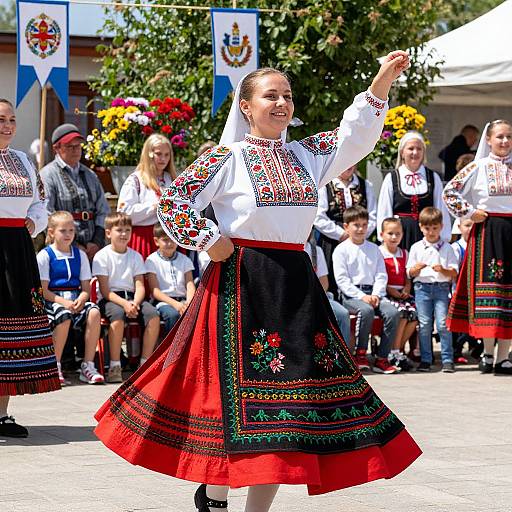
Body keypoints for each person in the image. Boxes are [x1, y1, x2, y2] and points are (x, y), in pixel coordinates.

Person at [95, 53, 421, 510]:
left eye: (287, 96)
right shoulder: (227, 157)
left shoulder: (308, 154)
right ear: (246, 107)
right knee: (231, 397)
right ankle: (216, 490)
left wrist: (381, 81)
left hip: (293, 286)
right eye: (271, 96)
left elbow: (355, 135)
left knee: (291, 409)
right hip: (240, 285)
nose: (282, 103)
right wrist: (211, 238)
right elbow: (174, 201)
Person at [0, 98, 60, 438]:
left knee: (13, 327)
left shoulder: (23, 160)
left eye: (11, 119)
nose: (7, 125)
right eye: (0, 119)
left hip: (18, 249)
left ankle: (2, 413)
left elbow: (41, 204)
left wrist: (32, 223)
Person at [443, 119, 512, 375]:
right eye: (500, 137)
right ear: (489, 140)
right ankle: (487, 352)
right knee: (490, 291)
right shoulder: (478, 166)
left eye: (508, 137)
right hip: (488, 232)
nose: (504, 141)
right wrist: (471, 212)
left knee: (509, 294)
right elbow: (450, 192)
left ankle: (504, 357)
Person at [37, 211, 104, 386]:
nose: (68, 235)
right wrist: (64, 302)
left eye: (71, 231)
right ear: (51, 232)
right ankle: (55, 365)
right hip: (53, 301)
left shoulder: (80, 255)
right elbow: (43, 291)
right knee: (63, 315)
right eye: (63, 231)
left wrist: (82, 298)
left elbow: (86, 287)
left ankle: (87, 365)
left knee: (94, 312)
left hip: (76, 298)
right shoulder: (45, 256)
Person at [92, 212, 160, 383]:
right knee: (117, 317)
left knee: (153, 315)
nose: (124, 234)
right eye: (119, 230)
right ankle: (115, 365)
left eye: (127, 230)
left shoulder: (135, 256)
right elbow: (106, 290)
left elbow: (140, 285)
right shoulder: (102, 256)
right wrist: (125, 304)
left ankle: (144, 364)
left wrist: (135, 303)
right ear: (108, 233)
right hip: (112, 299)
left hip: (133, 298)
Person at [332, 206, 400, 374]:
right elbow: (342, 280)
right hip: (351, 295)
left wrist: (376, 293)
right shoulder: (341, 250)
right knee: (366, 311)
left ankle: (382, 358)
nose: (361, 229)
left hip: (375, 293)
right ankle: (360, 354)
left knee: (393, 312)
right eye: (356, 225)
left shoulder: (374, 248)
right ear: (346, 226)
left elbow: (381, 274)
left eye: (364, 224)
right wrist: (362, 296)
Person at [40, 123, 110, 261]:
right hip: (62, 251)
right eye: (69, 146)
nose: (75, 150)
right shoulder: (47, 175)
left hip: (93, 249)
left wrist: (97, 241)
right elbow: (46, 213)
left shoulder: (90, 175)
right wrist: (73, 244)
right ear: (56, 148)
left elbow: (103, 210)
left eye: (78, 146)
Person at [377, 131, 452, 251]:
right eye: (410, 148)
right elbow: (384, 209)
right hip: (400, 235)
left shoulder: (433, 177)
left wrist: (444, 238)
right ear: (402, 152)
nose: (415, 152)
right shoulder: (392, 178)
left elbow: (440, 208)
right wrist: (385, 238)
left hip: (427, 234)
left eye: (419, 149)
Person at [406, 207, 458, 373]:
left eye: (435, 228)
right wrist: (417, 269)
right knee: (425, 324)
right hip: (422, 288)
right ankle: (426, 359)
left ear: (441, 227)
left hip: (441, 288)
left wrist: (443, 269)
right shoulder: (416, 247)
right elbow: (409, 272)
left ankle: (447, 359)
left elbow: (454, 272)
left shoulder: (447, 248)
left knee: (443, 324)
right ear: (421, 227)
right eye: (427, 228)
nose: (431, 232)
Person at [314, 164, 377, 293]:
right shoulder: (325, 185)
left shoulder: (366, 186)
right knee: (332, 278)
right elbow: (318, 216)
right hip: (332, 240)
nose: (348, 165)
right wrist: (342, 234)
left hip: (360, 240)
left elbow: (373, 215)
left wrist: (359, 234)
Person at [118, 134, 177, 259]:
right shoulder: (136, 180)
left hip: (168, 238)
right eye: (159, 154)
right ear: (149, 154)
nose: (163, 159)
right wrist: (154, 207)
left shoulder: (171, 179)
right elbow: (124, 213)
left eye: (167, 155)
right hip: (144, 238)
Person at [379, 217, 417, 371]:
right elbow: (379, 274)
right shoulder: (379, 252)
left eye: (398, 234)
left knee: (414, 315)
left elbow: (407, 275)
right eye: (390, 233)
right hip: (388, 293)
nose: (394, 237)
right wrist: (389, 289)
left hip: (402, 293)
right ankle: (394, 352)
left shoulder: (405, 253)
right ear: (382, 234)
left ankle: (396, 350)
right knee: (401, 313)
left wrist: (407, 287)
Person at [146, 223, 196, 334]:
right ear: (156, 241)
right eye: (165, 240)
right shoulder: (151, 261)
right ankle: (172, 349)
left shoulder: (185, 260)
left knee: (195, 314)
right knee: (172, 315)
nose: (170, 243)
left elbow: (190, 284)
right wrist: (176, 305)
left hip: (183, 301)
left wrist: (188, 302)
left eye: (173, 239)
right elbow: (155, 291)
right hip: (163, 302)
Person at [305, 232, 351, 344]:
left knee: (342, 314)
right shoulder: (288, 251)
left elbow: (324, 282)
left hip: (318, 297)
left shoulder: (316, 250)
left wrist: (314, 298)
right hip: (296, 300)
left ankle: (341, 355)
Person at [450, 217, 479, 364]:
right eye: (467, 225)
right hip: (460, 290)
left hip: (476, 291)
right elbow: (453, 271)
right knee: (460, 324)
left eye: (473, 225)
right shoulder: (456, 247)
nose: (470, 228)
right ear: (460, 227)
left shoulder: (479, 245)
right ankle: (456, 351)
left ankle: (476, 347)